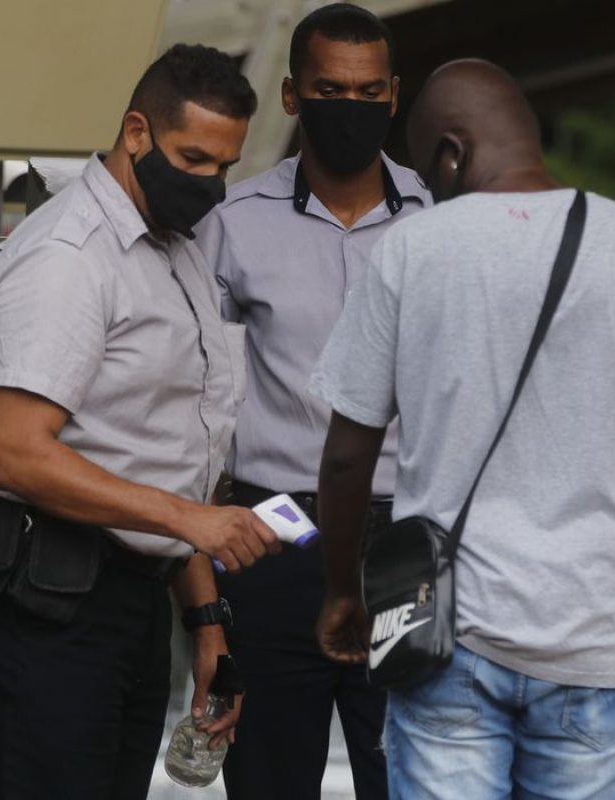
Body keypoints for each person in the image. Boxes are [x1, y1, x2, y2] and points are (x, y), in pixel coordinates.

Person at [311, 59, 615, 799]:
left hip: (448, 639)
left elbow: (346, 458)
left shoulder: (411, 249)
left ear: (450, 153)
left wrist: (344, 591)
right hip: (593, 645)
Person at [0, 44, 280, 800]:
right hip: (43, 610)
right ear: (136, 132)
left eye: (224, 166)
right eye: (192, 157)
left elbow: (167, 456)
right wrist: (191, 521)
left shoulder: (175, 251)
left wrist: (207, 624)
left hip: (127, 605)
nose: (209, 183)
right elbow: (18, 455)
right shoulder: (70, 258)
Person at [195, 4, 429, 798]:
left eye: (369, 93)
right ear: (293, 96)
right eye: (332, 88)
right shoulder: (231, 223)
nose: (351, 108)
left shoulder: (439, 223)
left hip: (405, 542)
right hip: (276, 536)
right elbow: (199, 393)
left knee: (408, 777)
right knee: (267, 778)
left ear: (395, 96)